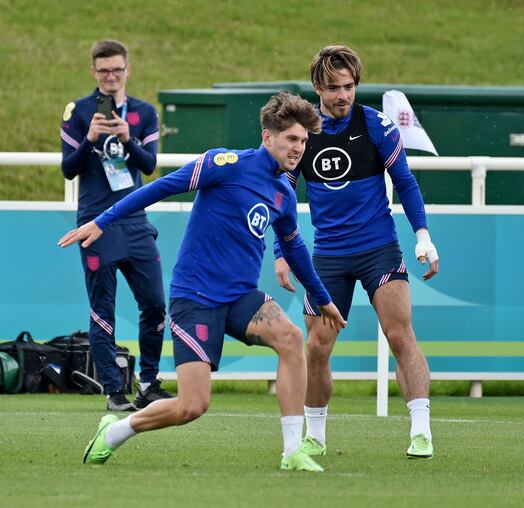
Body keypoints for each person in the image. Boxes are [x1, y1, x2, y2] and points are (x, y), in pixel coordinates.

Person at [59, 93, 347, 472]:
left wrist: (323, 299)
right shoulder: (224, 164)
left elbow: (294, 251)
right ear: (267, 137)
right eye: (292, 139)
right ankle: (115, 431)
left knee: (292, 338)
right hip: (195, 299)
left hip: (242, 298)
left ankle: (292, 451)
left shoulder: (284, 194)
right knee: (192, 406)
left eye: (304, 141)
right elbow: (158, 188)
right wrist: (102, 220)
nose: (299, 148)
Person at [273, 45, 439, 459]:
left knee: (400, 336)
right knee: (317, 347)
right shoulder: (302, 133)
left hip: (378, 250)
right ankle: (316, 436)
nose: (343, 95)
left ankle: (421, 431)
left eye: (349, 86)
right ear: (317, 87)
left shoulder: (378, 126)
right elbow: (281, 196)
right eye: (333, 88)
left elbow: (406, 183)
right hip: (328, 256)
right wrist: (280, 252)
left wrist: (423, 236)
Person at [60, 39, 172, 411]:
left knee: (155, 303)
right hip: (95, 224)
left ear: (128, 70)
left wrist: (128, 138)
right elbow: (68, 169)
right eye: (103, 70)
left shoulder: (144, 112)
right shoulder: (77, 112)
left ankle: (149, 383)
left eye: (117, 70)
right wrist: (90, 138)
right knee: (102, 309)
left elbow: (149, 165)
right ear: (93, 72)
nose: (110, 76)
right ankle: (112, 392)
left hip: (135, 221)